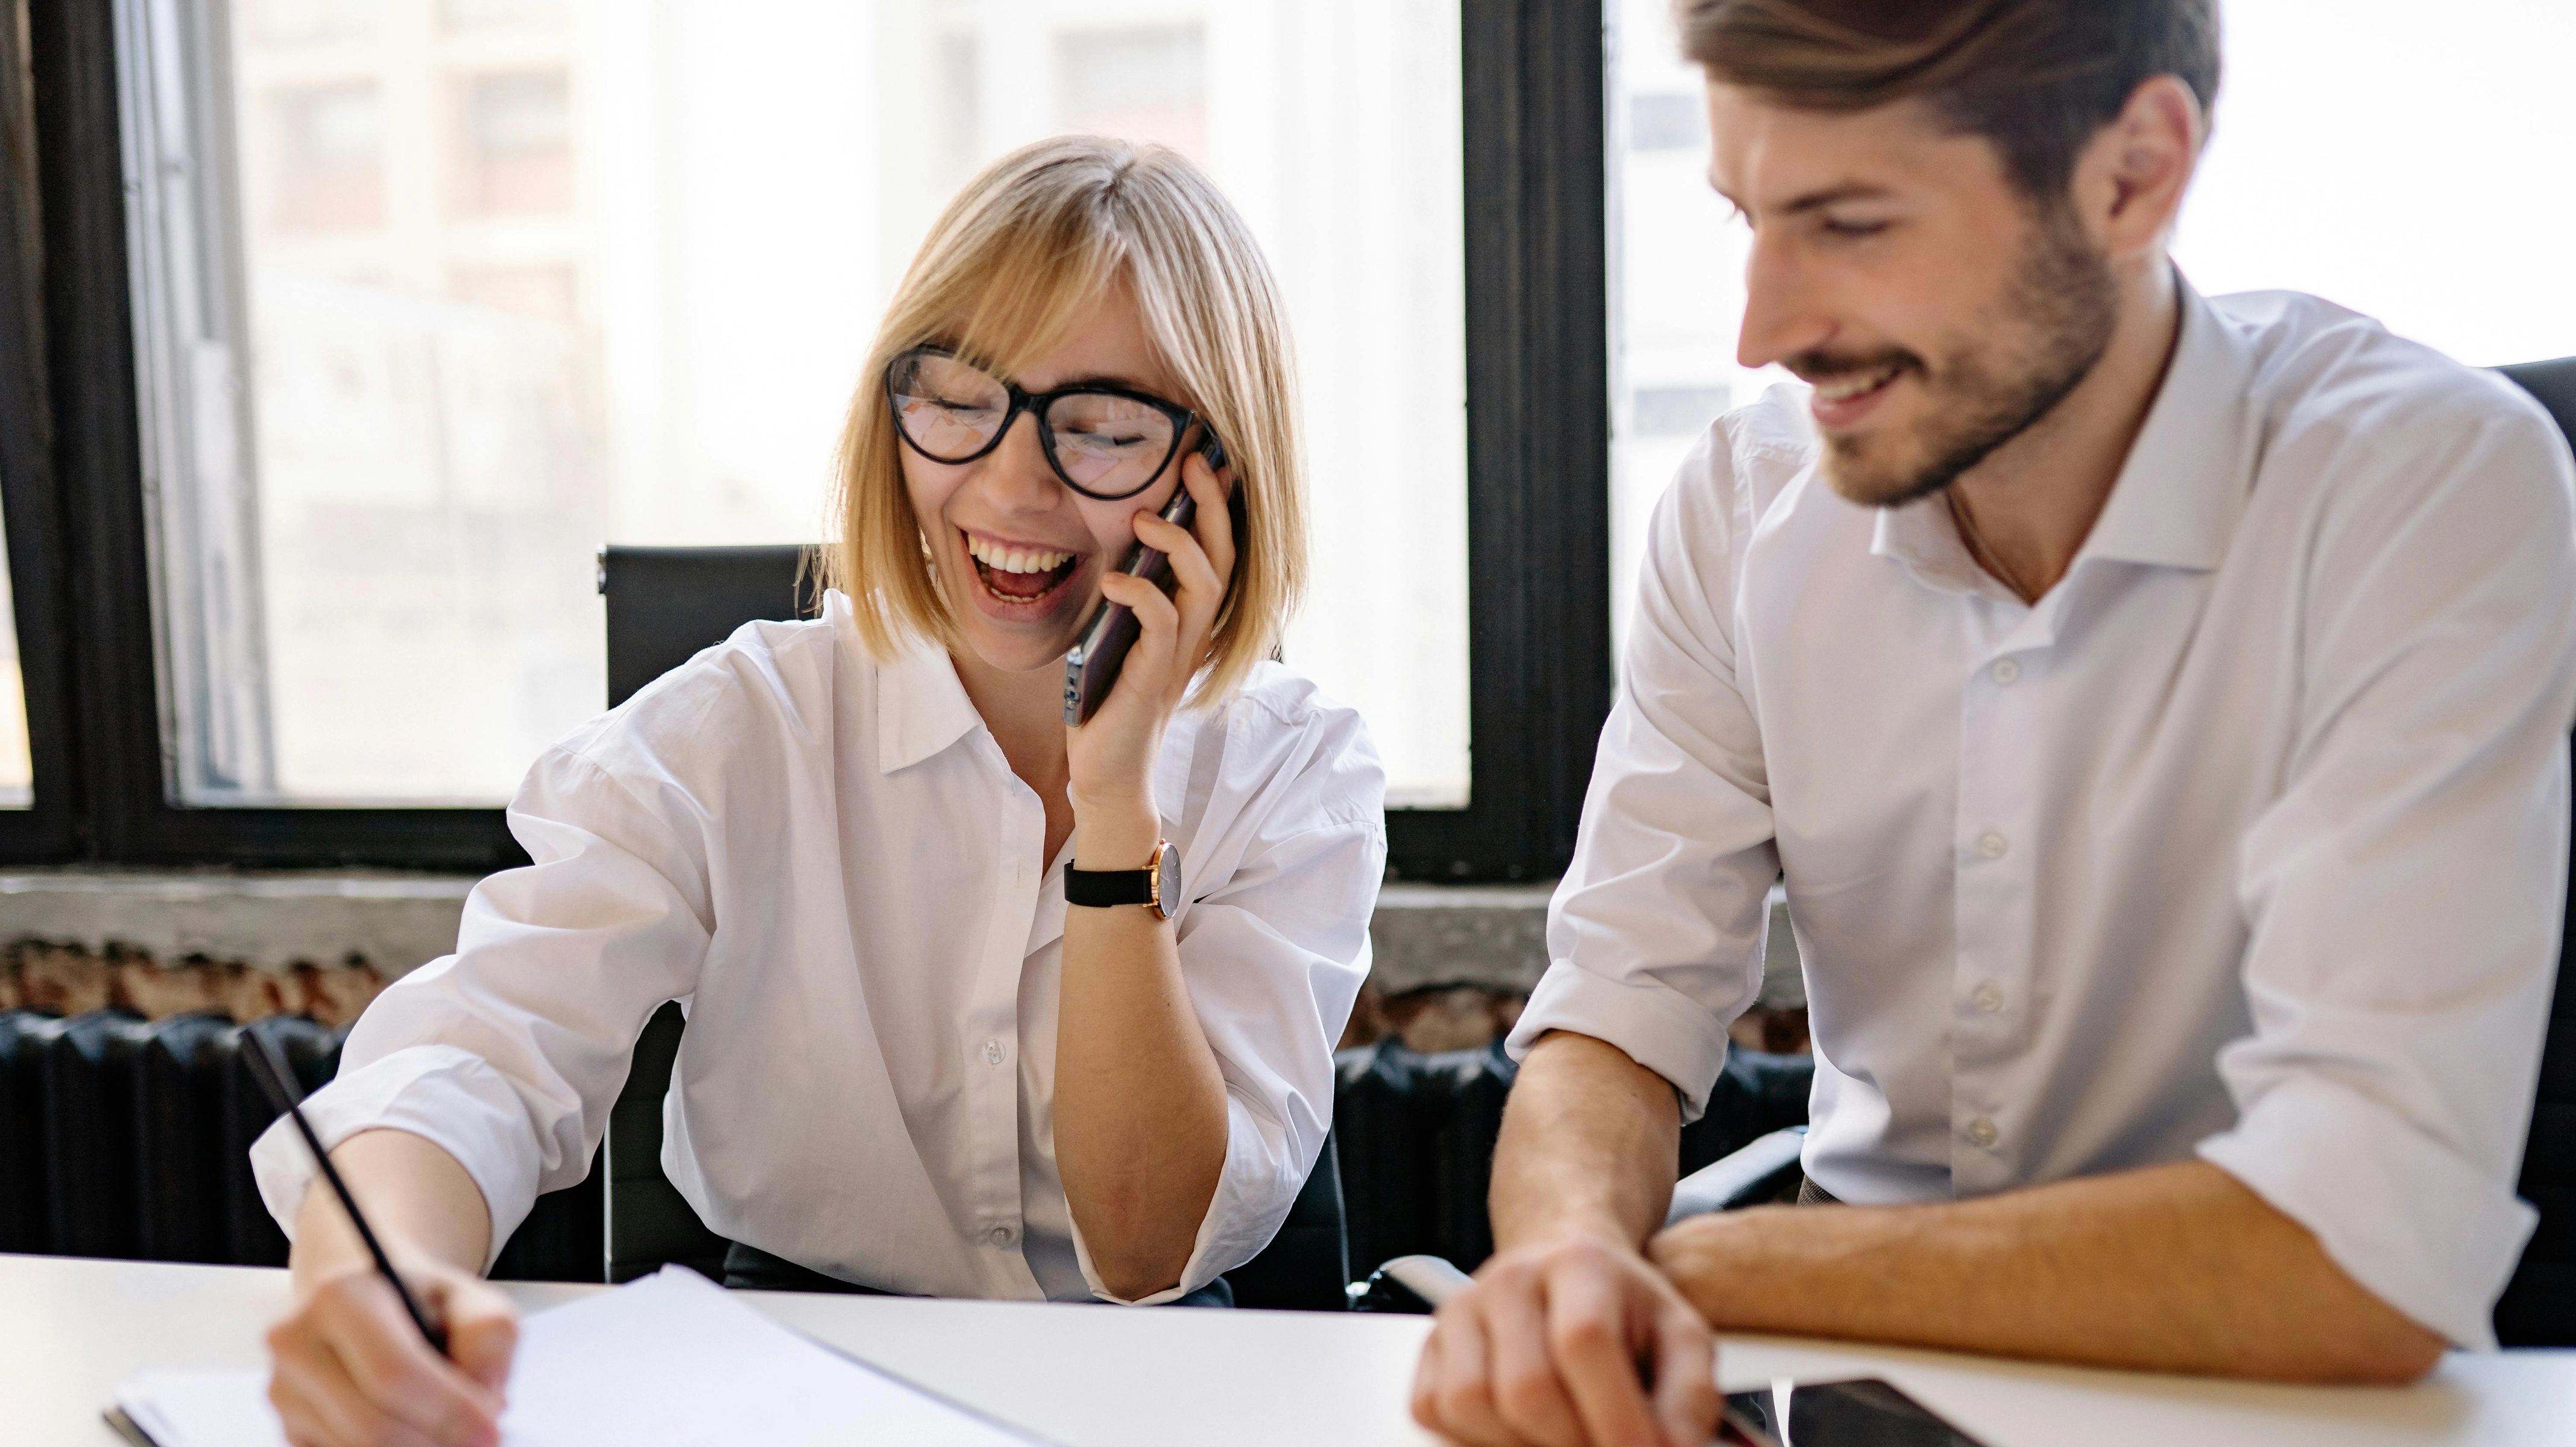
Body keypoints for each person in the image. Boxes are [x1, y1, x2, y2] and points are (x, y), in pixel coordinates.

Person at [1412, 1, 2576, 1443]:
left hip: (2257, 1390)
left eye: (1849, 225)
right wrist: (1572, 1267)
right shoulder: (1738, 504)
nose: (1764, 330)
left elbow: (2355, 1252)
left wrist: (1703, 1272)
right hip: (1852, 1388)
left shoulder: (2423, 484)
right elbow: (1613, 1020)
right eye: (1747, 221)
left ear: (2133, 173)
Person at [253, 137, 1385, 1447]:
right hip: (786, 1384)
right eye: (959, 399)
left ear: (1215, 477)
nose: (1011, 485)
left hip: (1148, 1399)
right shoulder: (742, 729)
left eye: (1103, 428)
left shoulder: (1296, 770)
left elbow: (1140, 1252)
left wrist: (1115, 801)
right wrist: (374, 1281)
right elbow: (479, 1054)